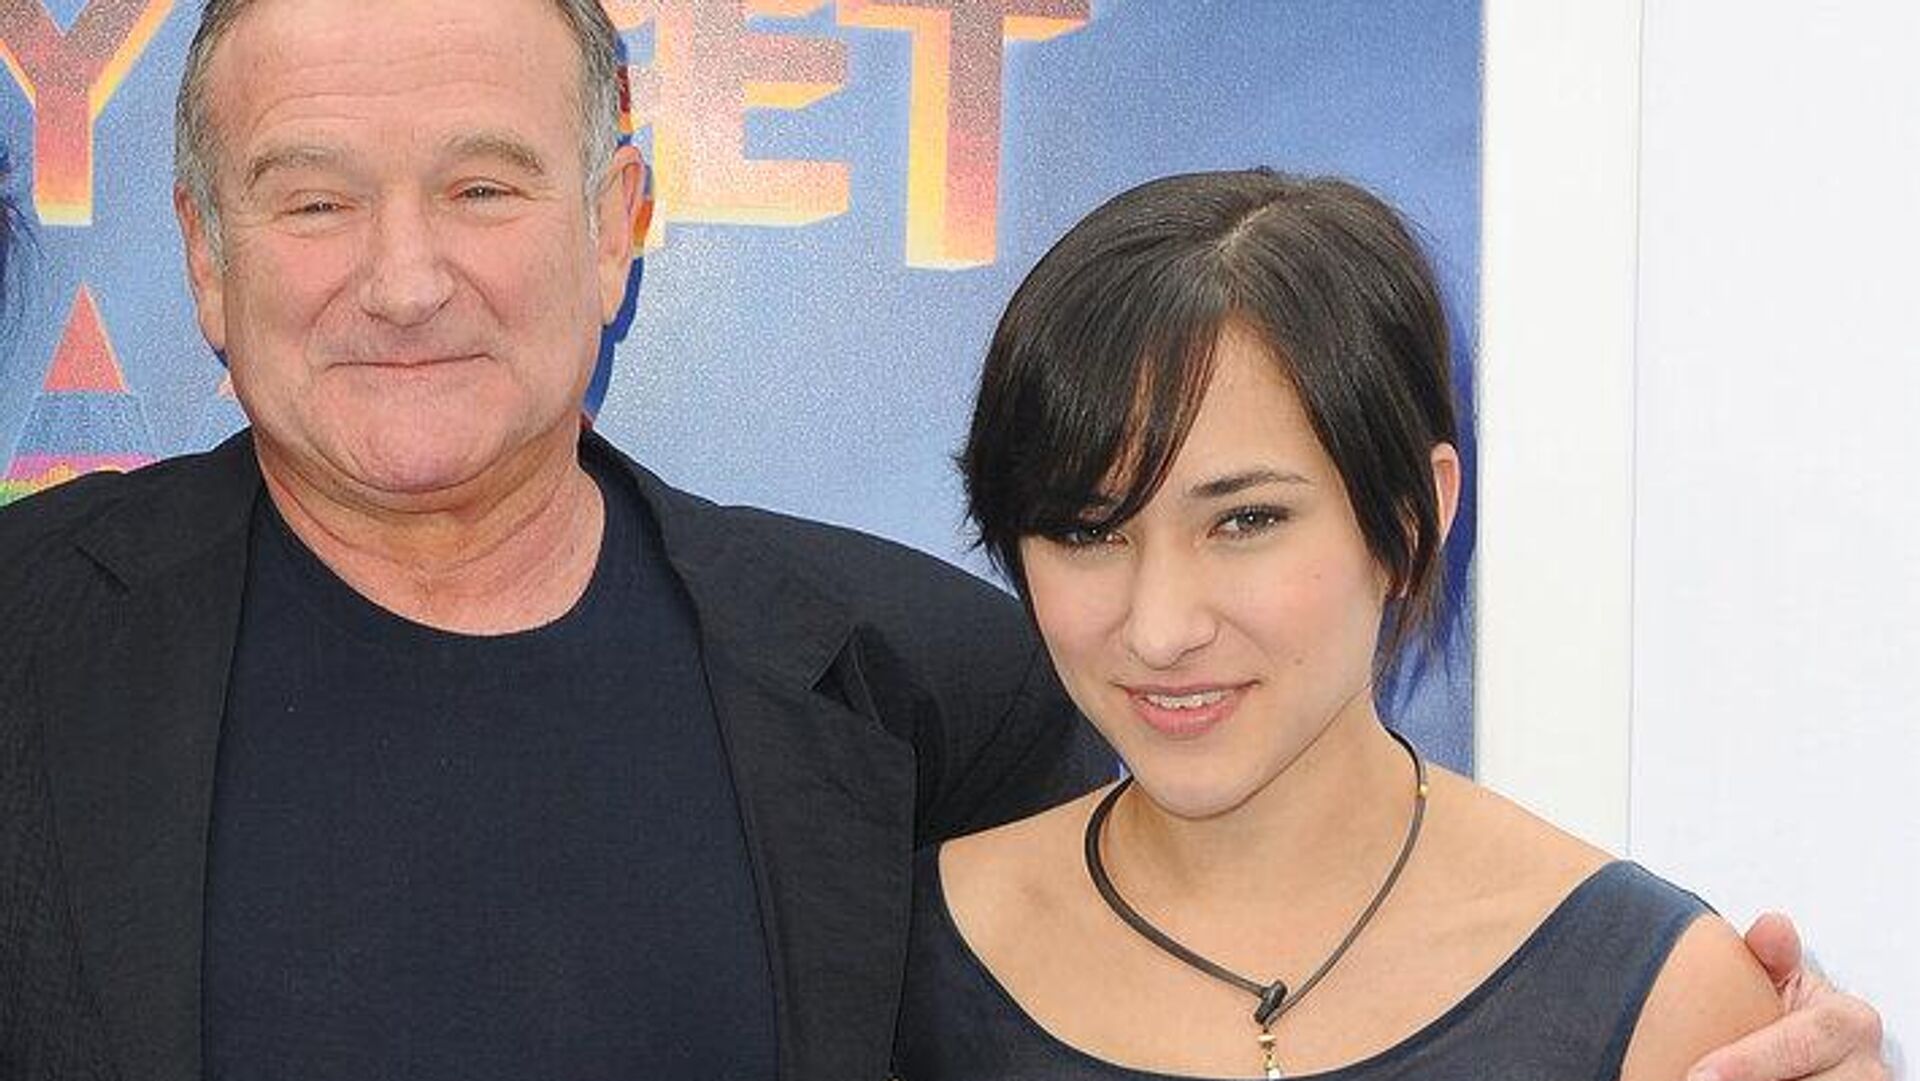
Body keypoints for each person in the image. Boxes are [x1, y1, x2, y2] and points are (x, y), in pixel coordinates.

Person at [0, 3, 1885, 1080]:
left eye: (484, 185)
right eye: (313, 199)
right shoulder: (20, 642)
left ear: (618, 221)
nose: (405, 276)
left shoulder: (916, 687)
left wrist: (1715, 1020)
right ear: (203, 259)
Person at [893, 170, 1889, 1081]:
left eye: (1245, 521)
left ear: (1412, 517)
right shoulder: (894, 956)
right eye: (1086, 530)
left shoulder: (1659, 1002)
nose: (1159, 628)